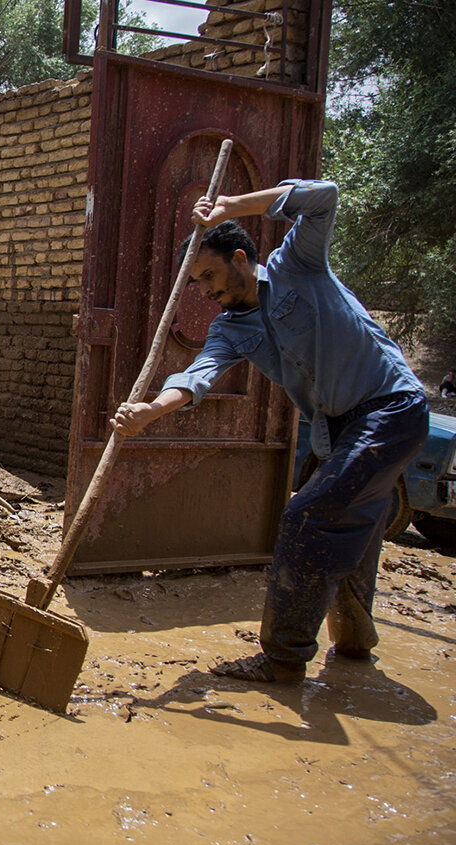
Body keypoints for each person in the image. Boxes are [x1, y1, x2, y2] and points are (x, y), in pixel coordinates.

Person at [111, 179, 428, 684]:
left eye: (210, 274)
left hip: (390, 406)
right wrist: (150, 411)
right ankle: (353, 643)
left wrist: (232, 205)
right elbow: (196, 376)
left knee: (307, 517)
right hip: (339, 428)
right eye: (196, 282)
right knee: (355, 523)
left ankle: (283, 659)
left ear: (240, 258)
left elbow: (324, 195)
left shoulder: (297, 265)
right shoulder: (230, 328)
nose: (207, 290)